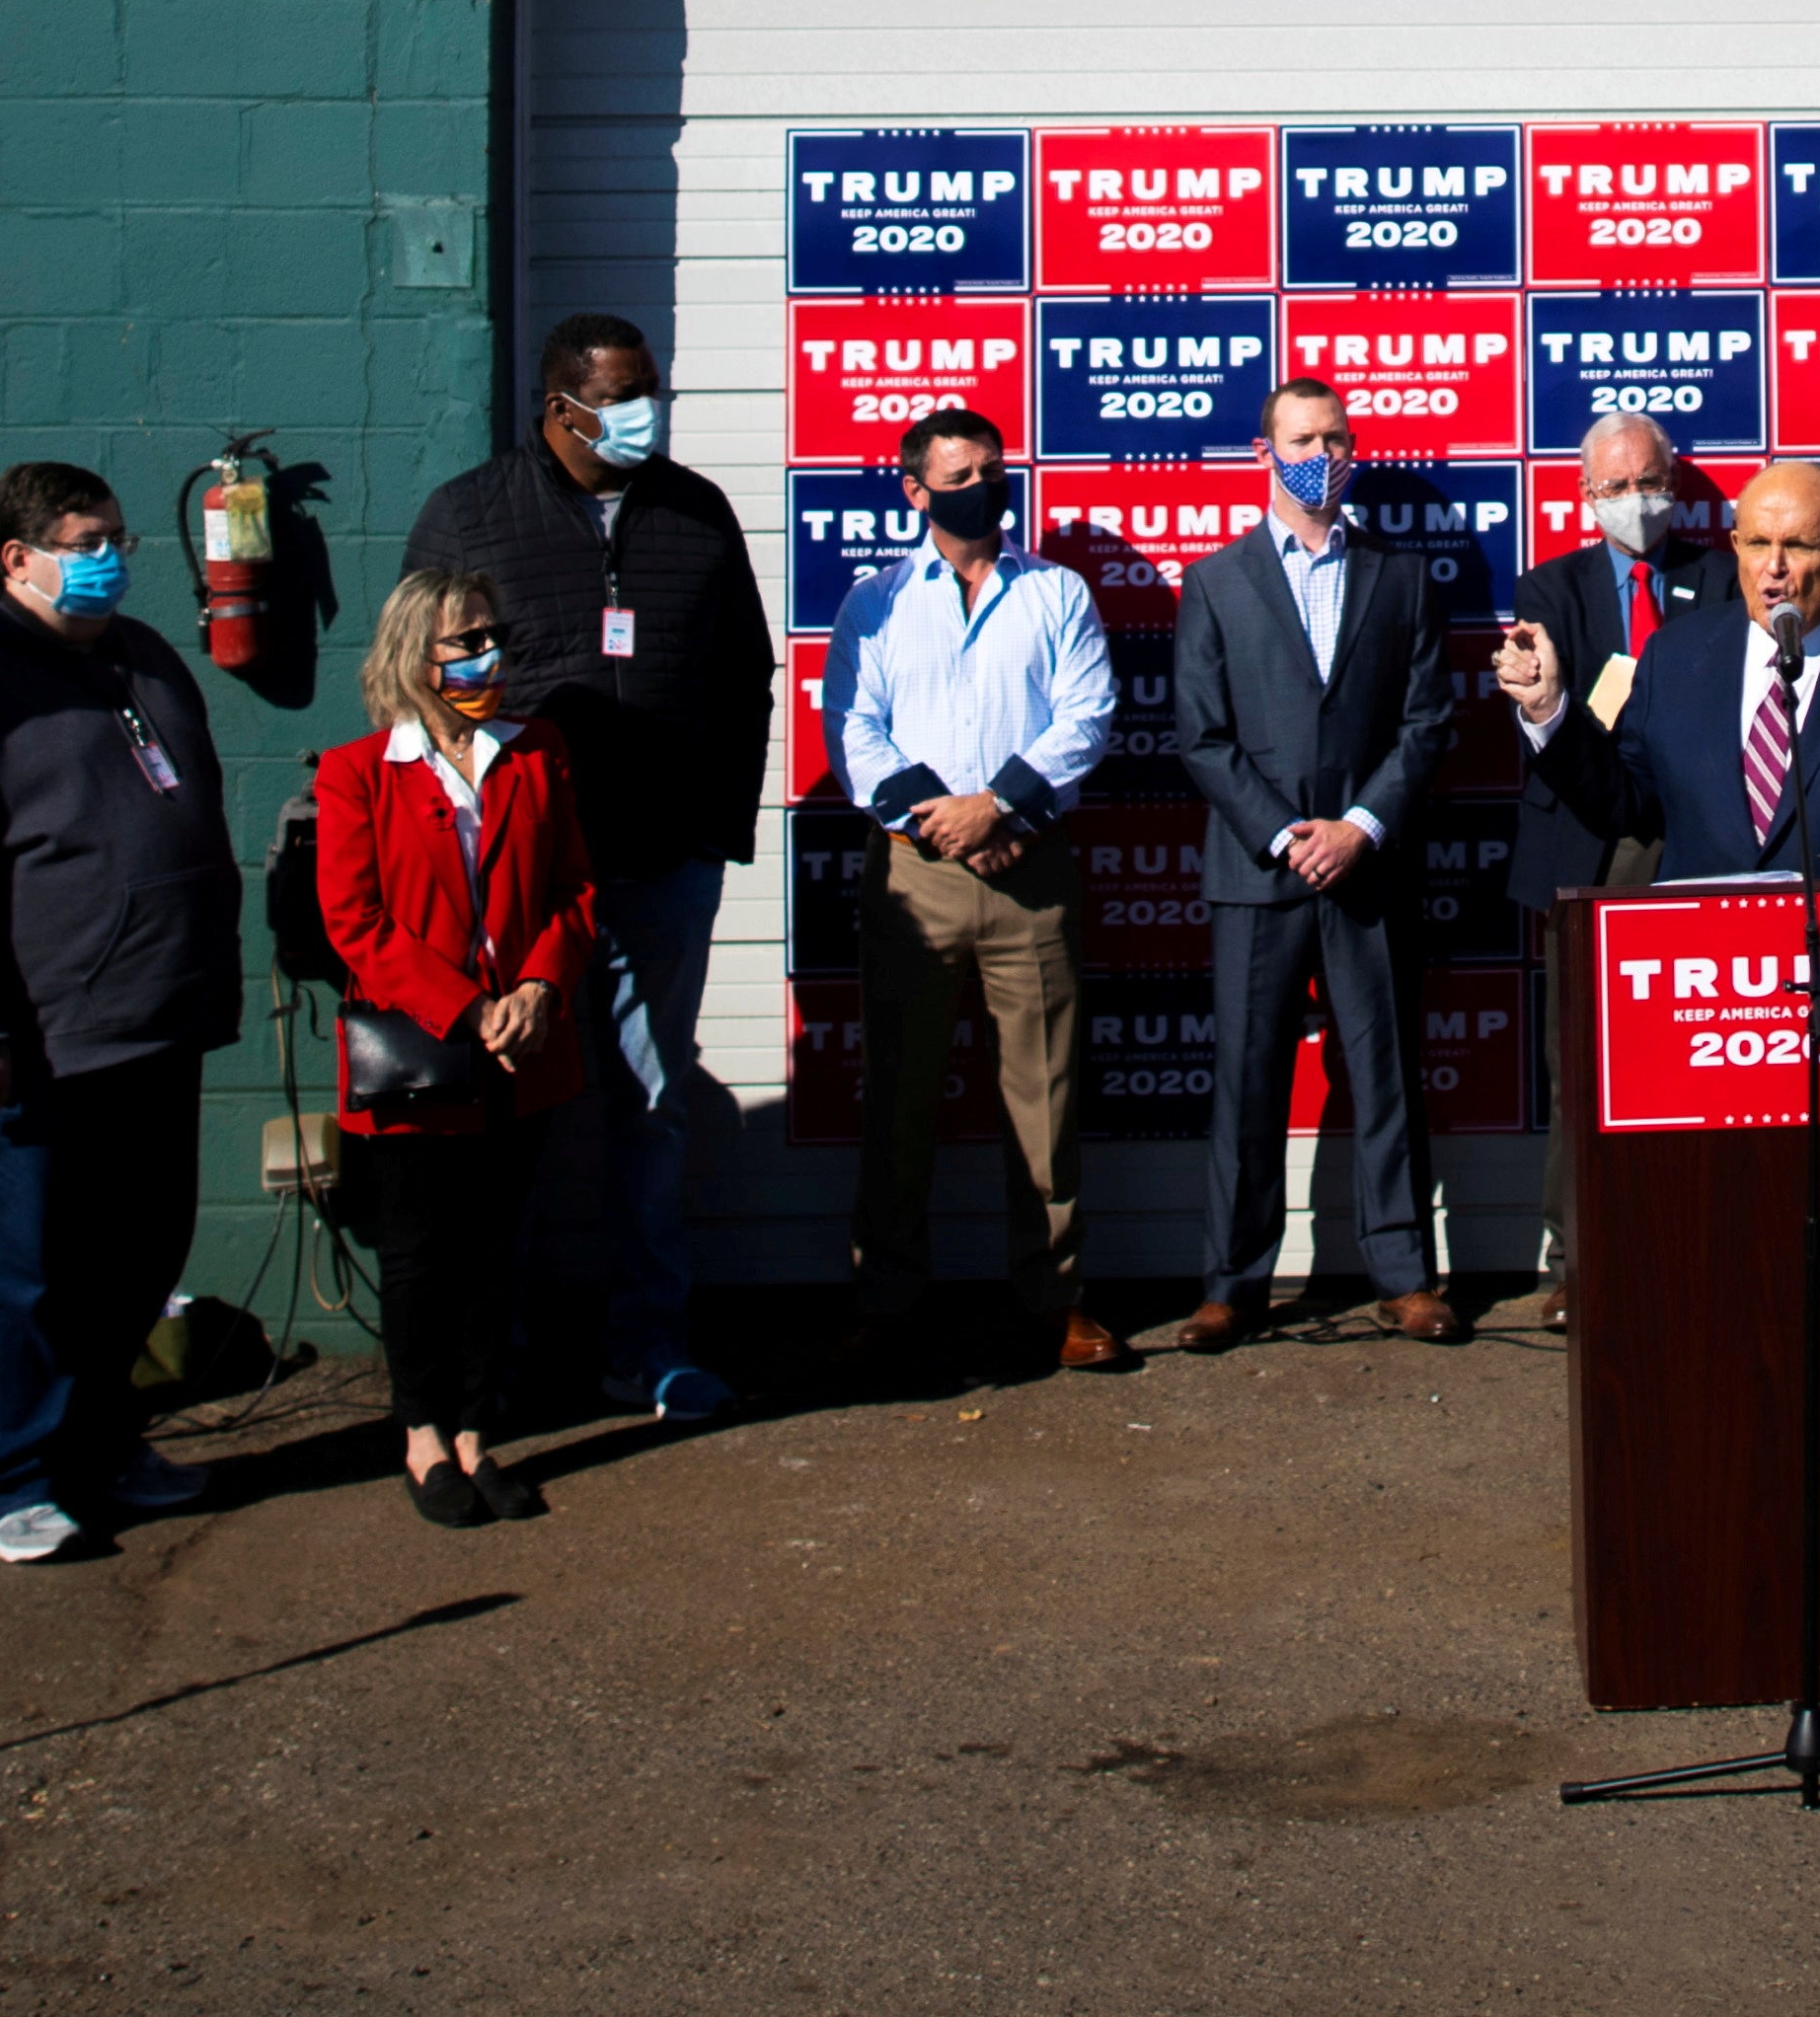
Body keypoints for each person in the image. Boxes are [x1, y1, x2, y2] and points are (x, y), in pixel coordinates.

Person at [405, 313, 776, 1426]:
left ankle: (649, 1345)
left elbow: (746, 672)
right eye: (620, 397)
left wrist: (716, 828)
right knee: (504, 1114)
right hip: (516, 884)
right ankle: (495, 1364)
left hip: (662, 866)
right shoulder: (470, 515)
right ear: (561, 407)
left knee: (651, 1108)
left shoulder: (693, 509)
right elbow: (418, 690)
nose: (643, 415)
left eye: (650, 390)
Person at [0, 463, 244, 1564]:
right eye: (87, 538)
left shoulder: (142, 657)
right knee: (22, 1270)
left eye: (120, 536)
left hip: (156, 1019)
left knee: (136, 1253)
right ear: (17, 558)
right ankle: (9, 1479)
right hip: (35, 1039)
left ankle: (100, 1444)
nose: (112, 555)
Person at [828, 406, 1123, 1373]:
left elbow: (1086, 715)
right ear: (915, 489)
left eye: (994, 466)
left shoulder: (1058, 593)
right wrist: (941, 815)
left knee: (1044, 1099)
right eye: (961, 472)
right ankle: (887, 1297)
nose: (986, 483)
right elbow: (852, 731)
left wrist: (997, 806)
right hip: (917, 878)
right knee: (900, 1099)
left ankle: (1055, 1298)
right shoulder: (874, 601)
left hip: (1028, 868)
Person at [1171, 377, 1462, 1350]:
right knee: (1248, 1079)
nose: (1322, 454)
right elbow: (1202, 737)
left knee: (1382, 1071)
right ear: (1265, 452)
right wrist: (1289, 833)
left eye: (1336, 438)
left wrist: (1360, 826)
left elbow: (1426, 723)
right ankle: (1233, 1284)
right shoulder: (1214, 580)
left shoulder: (1402, 576)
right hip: (1259, 871)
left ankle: (1403, 1273)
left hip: (1367, 866)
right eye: (1302, 438)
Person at [316, 570, 604, 1526]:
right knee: (419, 1252)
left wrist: (538, 984)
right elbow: (355, 922)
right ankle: (422, 1434)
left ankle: (478, 1430)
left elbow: (573, 888)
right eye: (463, 638)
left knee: (493, 1247)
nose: (486, 652)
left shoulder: (537, 751)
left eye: (491, 631)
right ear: (414, 654)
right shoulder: (358, 771)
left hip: (523, 1047)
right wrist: (467, 1007)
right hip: (421, 1055)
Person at [1495, 461, 1820, 888]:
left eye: (1798, 546)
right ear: (1736, 544)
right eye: (1757, 543)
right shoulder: (1674, 654)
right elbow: (1626, 803)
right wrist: (1549, 710)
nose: (1772, 567)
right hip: (1710, 966)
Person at [1500, 415, 1724, 1322]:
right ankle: (1577, 1261)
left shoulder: (1722, 578)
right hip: (1589, 848)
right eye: (1616, 486)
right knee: (1581, 1070)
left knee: (1702, 1061)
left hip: (1696, 844)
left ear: (1673, 480)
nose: (1638, 500)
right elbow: (1549, 726)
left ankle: (1695, 1243)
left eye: (1651, 480)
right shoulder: (1548, 588)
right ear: (1587, 495)